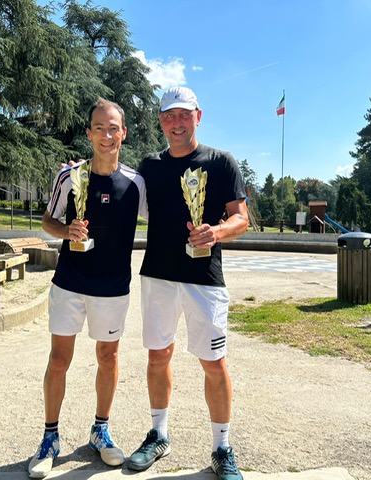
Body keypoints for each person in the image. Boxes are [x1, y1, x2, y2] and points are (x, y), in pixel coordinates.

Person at [127, 86, 248, 480]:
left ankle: (222, 447)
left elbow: (241, 218)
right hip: (158, 276)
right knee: (158, 357)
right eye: (168, 116)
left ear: (198, 116)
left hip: (204, 279)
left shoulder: (221, 162)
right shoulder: (149, 165)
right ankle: (159, 434)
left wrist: (216, 232)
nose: (176, 123)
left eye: (183, 114)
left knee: (213, 363)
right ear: (160, 121)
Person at [28, 98, 148, 478]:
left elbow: (165, 217)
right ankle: (50, 438)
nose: (107, 135)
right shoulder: (70, 177)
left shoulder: (136, 184)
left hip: (113, 289)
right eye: (100, 128)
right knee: (59, 360)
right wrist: (66, 231)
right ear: (89, 133)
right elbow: (47, 221)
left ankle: (100, 430)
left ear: (123, 133)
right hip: (70, 284)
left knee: (108, 359)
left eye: (114, 128)